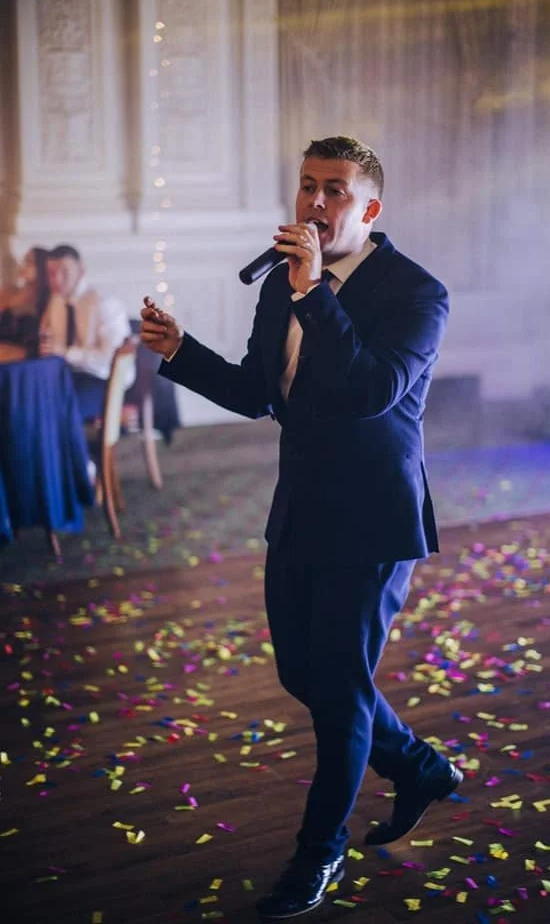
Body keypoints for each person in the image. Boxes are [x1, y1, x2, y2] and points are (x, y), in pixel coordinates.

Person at [140, 136, 461, 920]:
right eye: (308, 186)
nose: (315, 203)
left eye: (335, 190)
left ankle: (320, 852)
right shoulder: (286, 282)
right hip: (301, 506)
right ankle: (418, 767)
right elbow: (260, 393)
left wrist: (314, 291)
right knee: (303, 674)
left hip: (373, 518)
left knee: (341, 692)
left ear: (370, 207)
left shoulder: (417, 293)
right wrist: (181, 350)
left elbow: (370, 393)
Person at [39, 244, 134, 422]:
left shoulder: (105, 303)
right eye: (51, 273)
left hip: (104, 379)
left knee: (59, 411)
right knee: (32, 401)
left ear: (81, 271)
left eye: (64, 272)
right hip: (70, 376)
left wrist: (66, 353)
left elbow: (110, 359)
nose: (57, 280)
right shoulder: (56, 301)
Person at [0, 247, 50, 362]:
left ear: (42, 267)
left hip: (25, 361)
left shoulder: (47, 300)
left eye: (29, 262)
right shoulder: (9, 292)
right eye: (24, 261)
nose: (23, 266)